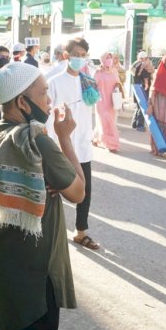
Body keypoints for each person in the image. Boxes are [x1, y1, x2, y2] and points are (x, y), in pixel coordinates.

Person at [0, 62, 86, 330]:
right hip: (35, 276)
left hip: (0, 264)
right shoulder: (37, 142)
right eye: (43, 93)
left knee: (1, 326)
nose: (49, 99)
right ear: (22, 101)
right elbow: (78, 192)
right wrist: (65, 139)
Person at [47, 37, 100, 250]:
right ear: (66, 56)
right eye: (75, 55)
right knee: (54, 189)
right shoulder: (54, 82)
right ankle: (50, 232)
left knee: (84, 190)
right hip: (60, 144)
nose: (79, 59)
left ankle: (81, 232)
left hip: (83, 145)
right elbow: (47, 115)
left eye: (83, 55)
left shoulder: (89, 82)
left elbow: (91, 111)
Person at [93, 53, 121, 152]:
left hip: (112, 100)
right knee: (104, 121)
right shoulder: (98, 72)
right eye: (107, 58)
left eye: (110, 58)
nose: (109, 59)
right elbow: (93, 85)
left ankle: (97, 138)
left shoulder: (114, 71)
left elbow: (117, 82)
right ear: (102, 59)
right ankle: (111, 144)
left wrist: (117, 86)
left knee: (110, 122)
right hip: (100, 101)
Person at [131, 50, 153, 132]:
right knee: (142, 106)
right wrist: (147, 85)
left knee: (139, 105)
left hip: (137, 86)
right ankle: (140, 125)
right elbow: (146, 77)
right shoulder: (143, 65)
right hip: (142, 87)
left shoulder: (135, 64)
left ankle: (134, 123)